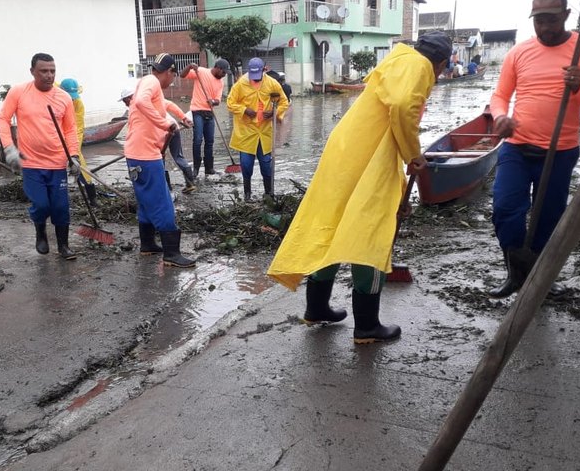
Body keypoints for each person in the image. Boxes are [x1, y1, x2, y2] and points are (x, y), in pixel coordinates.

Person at [266, 31, 452, 344]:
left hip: (346, 149)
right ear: (442, 63)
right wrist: (413, 154)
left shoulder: (400, 59)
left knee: (333, 223)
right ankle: (367, 325)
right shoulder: (421, 66)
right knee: (370, 232)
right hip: (370, 157)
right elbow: (405, 106)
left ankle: (317, 307)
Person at [488, 0, 580, 298]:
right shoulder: (519, 52)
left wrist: (579, 85)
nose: (544, 27)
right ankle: (517, 272)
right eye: (538, 20)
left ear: (566, 15)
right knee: (504, 209)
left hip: (560, 151)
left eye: (551, 19)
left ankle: (539, 278)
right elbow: (500, 96)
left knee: (548, 219)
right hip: (517, 146)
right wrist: (501, 116)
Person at [0, 53, 79, 260]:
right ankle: (40, 231)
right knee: (41, 204)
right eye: (43, 71)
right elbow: (2, 119)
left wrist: (74, 156)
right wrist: (9, 149)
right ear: (32, 71)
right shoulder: (18, 92)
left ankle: (63, 246)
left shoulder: (63, 98)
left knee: (60, 207)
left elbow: (70, 130)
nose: (49, 75)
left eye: (52, 71)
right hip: (31, 163)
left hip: (58, 162)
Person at [124, 53, 195, 267]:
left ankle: (147, 245)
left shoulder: (148, 83)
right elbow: (141, 102)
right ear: (169, 72)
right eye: (173, 75)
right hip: (145, 155)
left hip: (138, 152)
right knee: (163, 202)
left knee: (146, 202)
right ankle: (172, 254)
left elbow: (166, 104)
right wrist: (165, 125)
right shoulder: (152, 82)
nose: (173, 80)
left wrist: (181, 117)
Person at [226, 57, 289, 201]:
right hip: (246, 131)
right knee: (246, 165)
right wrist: (243, 110)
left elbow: (284, 102)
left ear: (264, 70)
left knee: (266, 165)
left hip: (265, 131)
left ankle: (268, 193)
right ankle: (247, 194)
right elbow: (230, 103)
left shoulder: (272, 84)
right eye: (252, 77)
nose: (255, 80)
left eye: (258, 77)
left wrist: (274, 112)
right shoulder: (240, 84)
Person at [119, 84, 196, 194]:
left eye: (124, 101)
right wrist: (184, 118)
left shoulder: (136, 106)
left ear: (129, 98)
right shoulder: (151, 100)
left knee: (159, 159)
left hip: (162, 133)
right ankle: (190, 183)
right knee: (178, 156)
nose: (125, 104)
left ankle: (167, 189)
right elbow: (170, 105)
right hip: (174, 128)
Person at [179, 58, 229, 177]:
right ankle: (196, 169)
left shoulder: (220, 82)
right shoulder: (200, 72)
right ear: (218, 68)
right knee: (197, 140)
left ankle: (209, 168)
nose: (224, 75)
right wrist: (190, 66)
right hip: (197, 111)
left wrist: (213, 101)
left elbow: (218, 100)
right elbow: (182, 75)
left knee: (210, 141)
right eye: (223, 72)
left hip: (209, 112)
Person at [58, 78, 99, 204]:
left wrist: (73, 152)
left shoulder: (78, 104)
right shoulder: (53, 95)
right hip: (54, 140)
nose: (71, 99)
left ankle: (92, 198)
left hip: (71, 139)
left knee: (81, 167)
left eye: (73, 97)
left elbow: (78, 129)